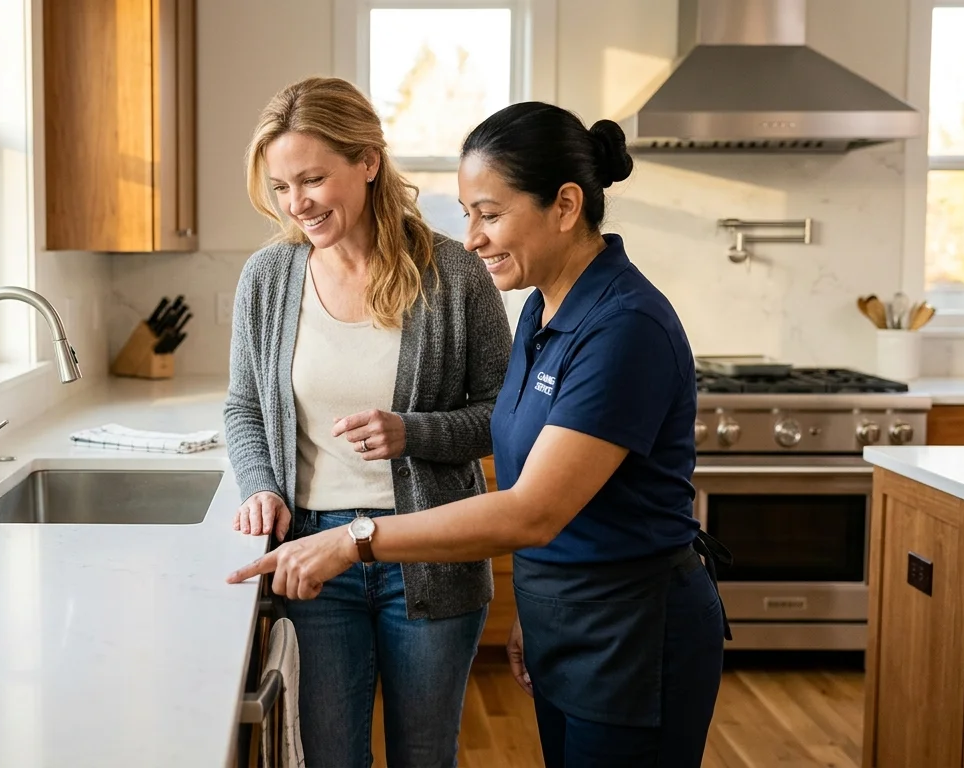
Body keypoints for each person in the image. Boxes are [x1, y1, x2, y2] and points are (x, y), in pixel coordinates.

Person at [228, 101, 731, 768]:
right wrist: (538, 609)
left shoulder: (624, 327)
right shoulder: (546, 313)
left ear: (565, 205)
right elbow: (543, 483)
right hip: (569, 618)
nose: (470, 237)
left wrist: (356, 538)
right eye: (468, 213)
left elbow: (533, 511)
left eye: (489, 214)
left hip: (630, 634)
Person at [224, 76, 511, 767]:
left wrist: (413, 432)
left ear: (368, 162)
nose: (298, 203)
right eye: (283, 186)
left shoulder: (452, 273)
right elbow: (242, 406)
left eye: (314, 179)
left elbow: (506, 417)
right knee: (329, 755)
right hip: (314, 560)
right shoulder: (268, 278)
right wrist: (260, 484)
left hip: (429, 553)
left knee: (423, 753)